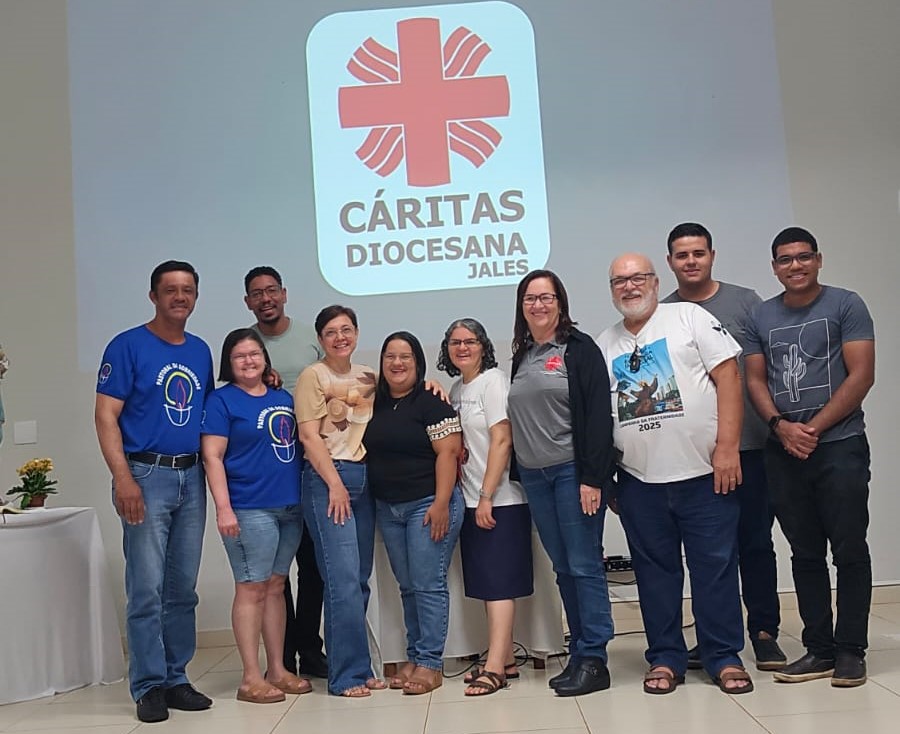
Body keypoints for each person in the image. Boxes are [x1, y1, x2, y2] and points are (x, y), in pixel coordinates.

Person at [596, 253, 752, 695]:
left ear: (655, 281)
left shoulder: (689, 318)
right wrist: (608, 477)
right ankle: (665, 657)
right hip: (639, 481)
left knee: (715, 569)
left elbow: (729, 379)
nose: (629, 287)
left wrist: (728, 449)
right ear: (611, 290)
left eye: (637, 278)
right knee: (653, 576)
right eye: (619, 281)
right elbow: (597, 418)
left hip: (705, 474)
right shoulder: (605, 344)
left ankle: (723, 656)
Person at [745, 227, 875, 688]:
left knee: (849, 549)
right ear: (774, 267)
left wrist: (812, 429)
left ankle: (851, 650)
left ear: (818, 260)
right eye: (785, 259)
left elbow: (862, 375)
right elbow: (755, 379)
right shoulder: (761, 315)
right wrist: (781, 427)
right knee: (804, 553)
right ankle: (819, 648)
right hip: (783, 450)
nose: (795, 266)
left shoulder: (846, 305)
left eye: (803, 257)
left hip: (839, 445)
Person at [662, 222, 786, 671]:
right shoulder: (664, 313)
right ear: (670, 262)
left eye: (698, 253)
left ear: (712, 256)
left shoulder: (745, 302)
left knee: (754, 542)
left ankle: (764, 631)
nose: (690, 261)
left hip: (750, 446)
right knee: (709, 553)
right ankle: (714, 636)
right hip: (696, 457)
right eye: (682, 255)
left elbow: (764, 369)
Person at [94, 260, 214, 723]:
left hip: (192, 476)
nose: (180, 297)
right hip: (145, 475)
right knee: (146, 587)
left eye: (188, 290)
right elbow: (106, 416)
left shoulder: (200, 351)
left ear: (195, 297)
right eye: (170, 290)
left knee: (182, 589)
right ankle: (147, 685)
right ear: (153, 296)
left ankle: (175, 678)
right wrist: (123, 478)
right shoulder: (127, 346)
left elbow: (208, 415)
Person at [507, 269, 615, 697]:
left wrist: (593, 478)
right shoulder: (523, 354)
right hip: (536, 478)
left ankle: (595, 659)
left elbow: (598, 418)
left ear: (560, 303)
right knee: (564, 568)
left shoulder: (579, 349)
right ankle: (580, 652)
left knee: (585, 565)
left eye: (546, 297)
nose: (538, 305)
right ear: (522, 307)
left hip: (573, 474)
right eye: (530, 299)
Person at [201, 328, 311, 703]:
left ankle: (276, 669)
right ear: (228, 363)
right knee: (251, 587)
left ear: (265, 358)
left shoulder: (282, 397)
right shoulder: (221, 401)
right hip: (249, 509)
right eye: (240, 356)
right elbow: (212, 456)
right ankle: (250, 677)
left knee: (276, 586)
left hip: (290, 507)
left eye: (254, 354)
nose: (249, 361)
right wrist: (224, 508)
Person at [436, 318, 533, 697]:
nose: (462, 348)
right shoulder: (458, 388)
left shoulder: (494, 381)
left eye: (470, 341)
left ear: (483, 346)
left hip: (500, 499)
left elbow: (502, 440)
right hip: (471, 499)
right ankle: (504, 659)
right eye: (455, 342)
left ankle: (494, 668)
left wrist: (487, 494)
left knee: (499, 584)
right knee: (487, 583)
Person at [365, 331, 464, 696]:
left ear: (418, 362)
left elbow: (448, 453)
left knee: (427, 584)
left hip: (429, 503)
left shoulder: (431, 401)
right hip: (389, 508)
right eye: (390, 356)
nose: (397, 363)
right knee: (408, 586)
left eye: (405, 356)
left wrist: (441, 503)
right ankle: (415, 656)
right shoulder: (375, 402)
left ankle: (431, 664)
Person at [243, 266, 327, 680]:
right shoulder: (246, 346)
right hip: (269, 470)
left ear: (284, 293)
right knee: (276, 573)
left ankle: (310, 650)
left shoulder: (311, 336)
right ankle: (284, 656)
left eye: (272, 290)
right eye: (257, 294)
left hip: (312, 463)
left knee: (313, 565)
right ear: (248, 302)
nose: (266, 299)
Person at [294, 305, 382, 697]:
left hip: (363, 477)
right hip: (329, 479)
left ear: (357, 333)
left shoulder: (367, 376)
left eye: (346, 329)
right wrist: (334, 483)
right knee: (341, 581)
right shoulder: (313, 376)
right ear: (320, 339)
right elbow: (309, 436)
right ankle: (344, 676)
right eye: (331, 332)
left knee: (358, 581)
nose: (340, 337)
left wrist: (431, 382)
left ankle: (361, 668)